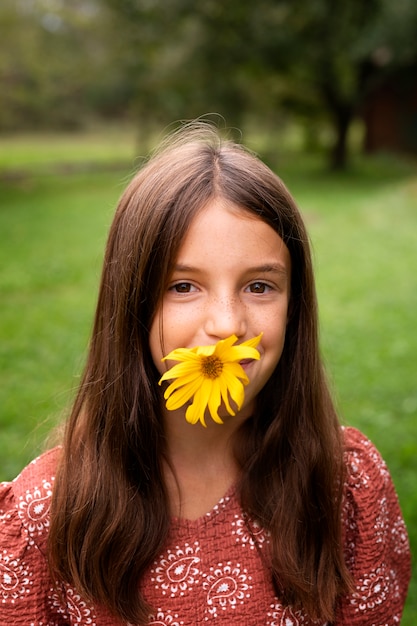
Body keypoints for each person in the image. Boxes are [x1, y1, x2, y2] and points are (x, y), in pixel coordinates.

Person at [0, 122, 411, 626]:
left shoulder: (345, 489)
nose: (226, 325)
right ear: (131, 304)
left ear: (294, 308)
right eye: (183, 287)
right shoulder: (43, 518)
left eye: (259, 286)